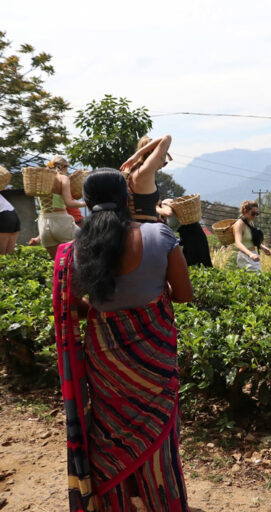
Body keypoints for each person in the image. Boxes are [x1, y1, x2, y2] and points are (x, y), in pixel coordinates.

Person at [52, 168, 193, 511]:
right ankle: (162, 500)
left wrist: (107, 309)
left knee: (110, 433)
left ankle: (116, 501)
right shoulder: (160, 236)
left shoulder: (75, 251)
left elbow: (74, 306)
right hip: (154, 362)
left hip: (105, 364)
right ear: (127, 199)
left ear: (85, 202)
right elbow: (185, 294)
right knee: (159, 435)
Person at [29, 156, 86, 258]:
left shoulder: (40, 181)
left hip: (43, 224)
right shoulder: (63, 178)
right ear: (63, 167)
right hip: (61, 221)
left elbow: (40, 205)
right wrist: (86, 203)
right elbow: (69, 203)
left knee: (57, 263)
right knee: (86, 247)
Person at [120, 134, 172, 222]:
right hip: (145, 227)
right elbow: (167, 138)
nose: (163, 164)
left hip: (131, 225)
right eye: (163, 160)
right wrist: (137, 154)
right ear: (155, 157)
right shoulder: (144, 172)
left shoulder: (130, 172)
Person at [157, 198, 213, 267]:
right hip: (186, 235)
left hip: (193, 232)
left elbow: (169, 213)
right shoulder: (162, 212)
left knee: (199, 262)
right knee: (190, 263)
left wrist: (156, 208)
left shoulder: (165, 203)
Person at [233, 200, 271, 272]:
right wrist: (250, 254)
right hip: (245, 256)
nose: (255, 216)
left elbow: (252, 240)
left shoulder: (250, 222)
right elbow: (238, 243)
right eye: (253, 213)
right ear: (245, 211)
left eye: (257, 214)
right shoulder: (239, 224)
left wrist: (263, 248)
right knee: (258, 279)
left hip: (253, 254)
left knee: (254, 280)